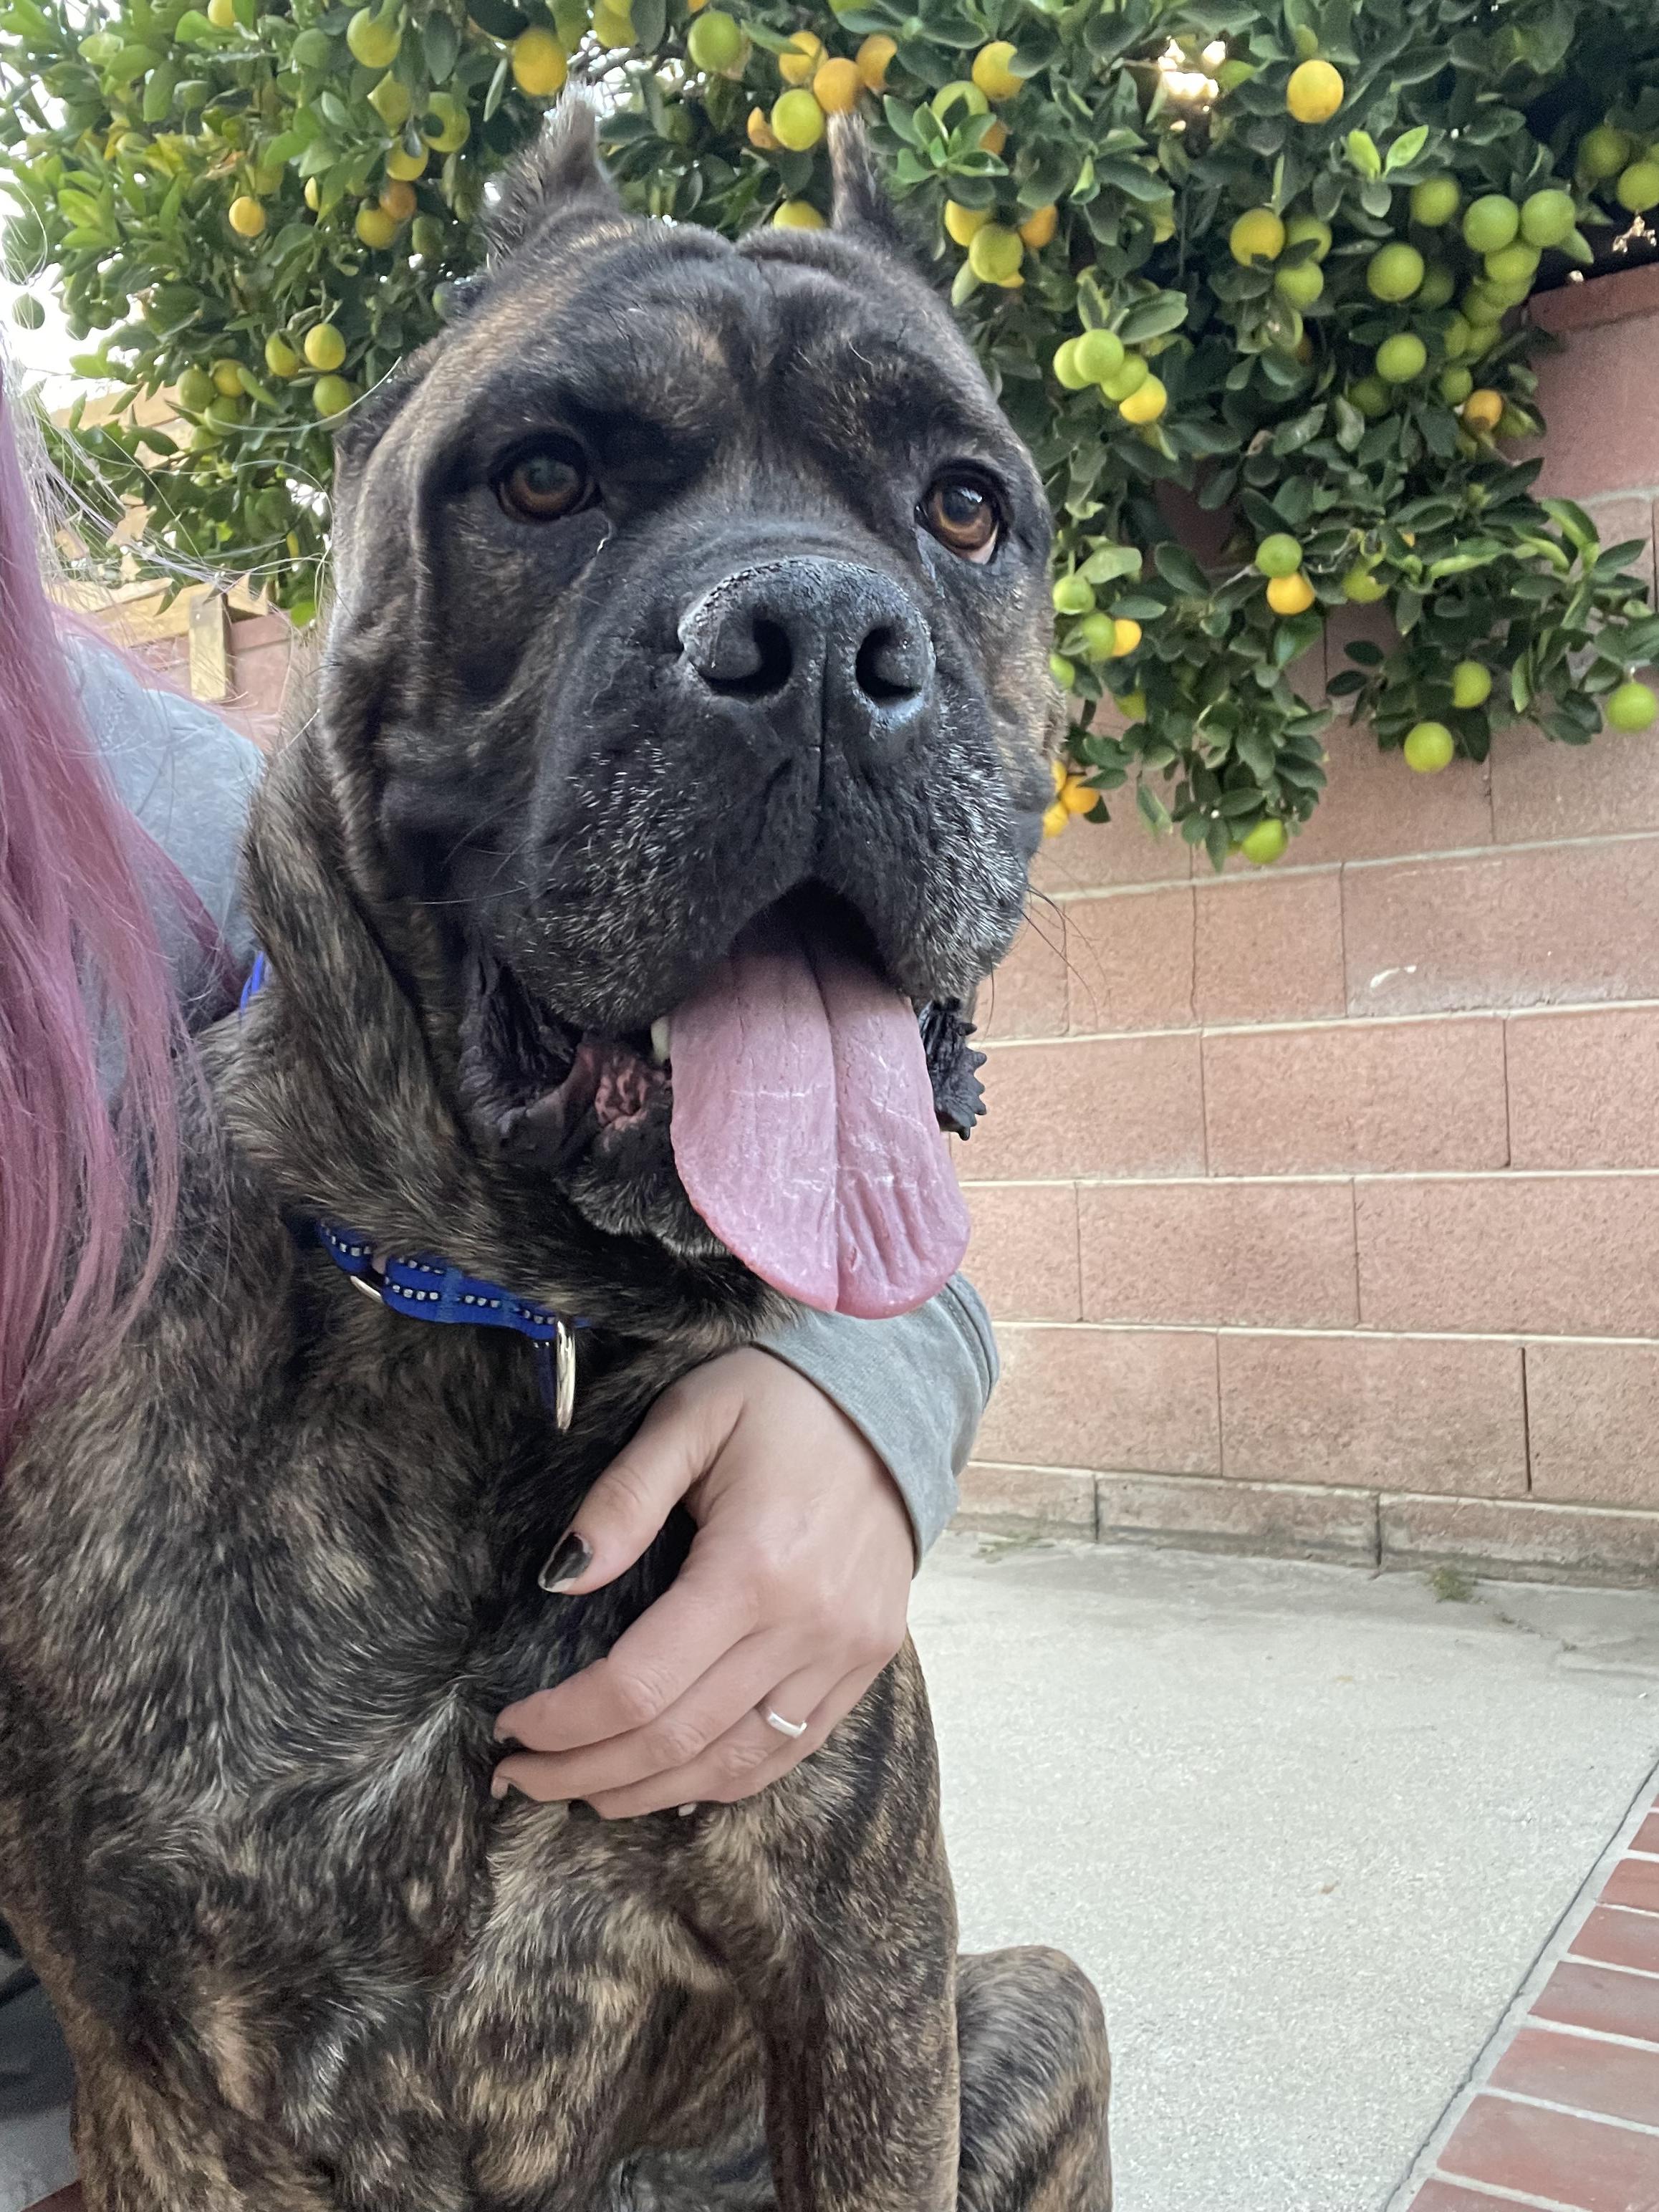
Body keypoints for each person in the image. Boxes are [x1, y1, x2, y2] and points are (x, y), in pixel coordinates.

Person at [0, 369, 996, 1827]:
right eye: (548, 486)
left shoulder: (148, 807)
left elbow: (832, 1192)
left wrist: (861, 1396)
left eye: (962, 512)